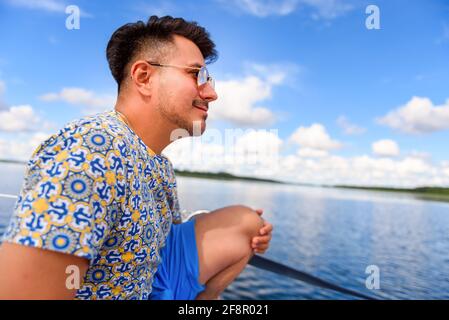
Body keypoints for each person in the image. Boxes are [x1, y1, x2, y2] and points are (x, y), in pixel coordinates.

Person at [0, 15, 273, 300]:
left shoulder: (158, 164)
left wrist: (231, 230)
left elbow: (163, 238)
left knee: (247, 221)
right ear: (144, 77)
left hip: (148, 282)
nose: (212, 93)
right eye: (196, 75)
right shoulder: (89, 151)